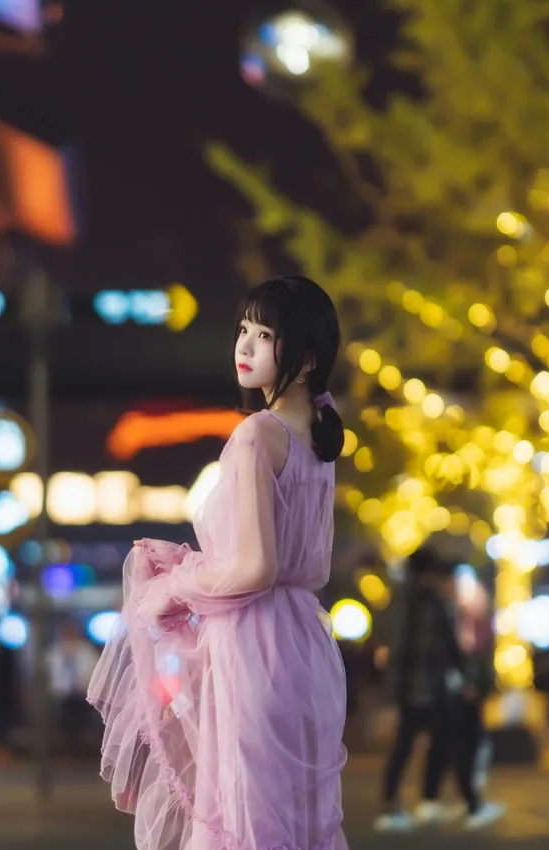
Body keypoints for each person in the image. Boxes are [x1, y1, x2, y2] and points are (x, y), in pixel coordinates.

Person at [88, 275, 349, 850]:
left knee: (246, 817)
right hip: (306, 643)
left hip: (254, 645)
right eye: (243, 330)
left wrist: (174, 585)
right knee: (299, 819)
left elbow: (255, 569)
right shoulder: (319, 438)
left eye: (264, 335)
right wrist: (194, 563)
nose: (244, 346)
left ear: (304, 360)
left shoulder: (257, 434)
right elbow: (303, 566)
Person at [374, 548, 465, 832]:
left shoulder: (409, 598)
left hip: (418, 684)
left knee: (412, 741)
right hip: (423, 684)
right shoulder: (423, 600)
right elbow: (436, 643)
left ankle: (403, 798)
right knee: (427, 739)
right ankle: (419, 798)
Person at [451, 566, 504, 828]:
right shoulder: (456, 620)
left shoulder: (479, 622)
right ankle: (471, 799)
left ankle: (472, 795)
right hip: (461, 693)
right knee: (465, 744)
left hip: (475, 690)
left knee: (474, 742)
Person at [46, 620, 100, 755]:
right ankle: (68, 748)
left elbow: (95, 670)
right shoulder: (54, 651)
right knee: (65, 722)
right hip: (61, 694)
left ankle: (80, 747)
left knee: (81, 721)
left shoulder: (86, 650)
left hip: (81, 693)